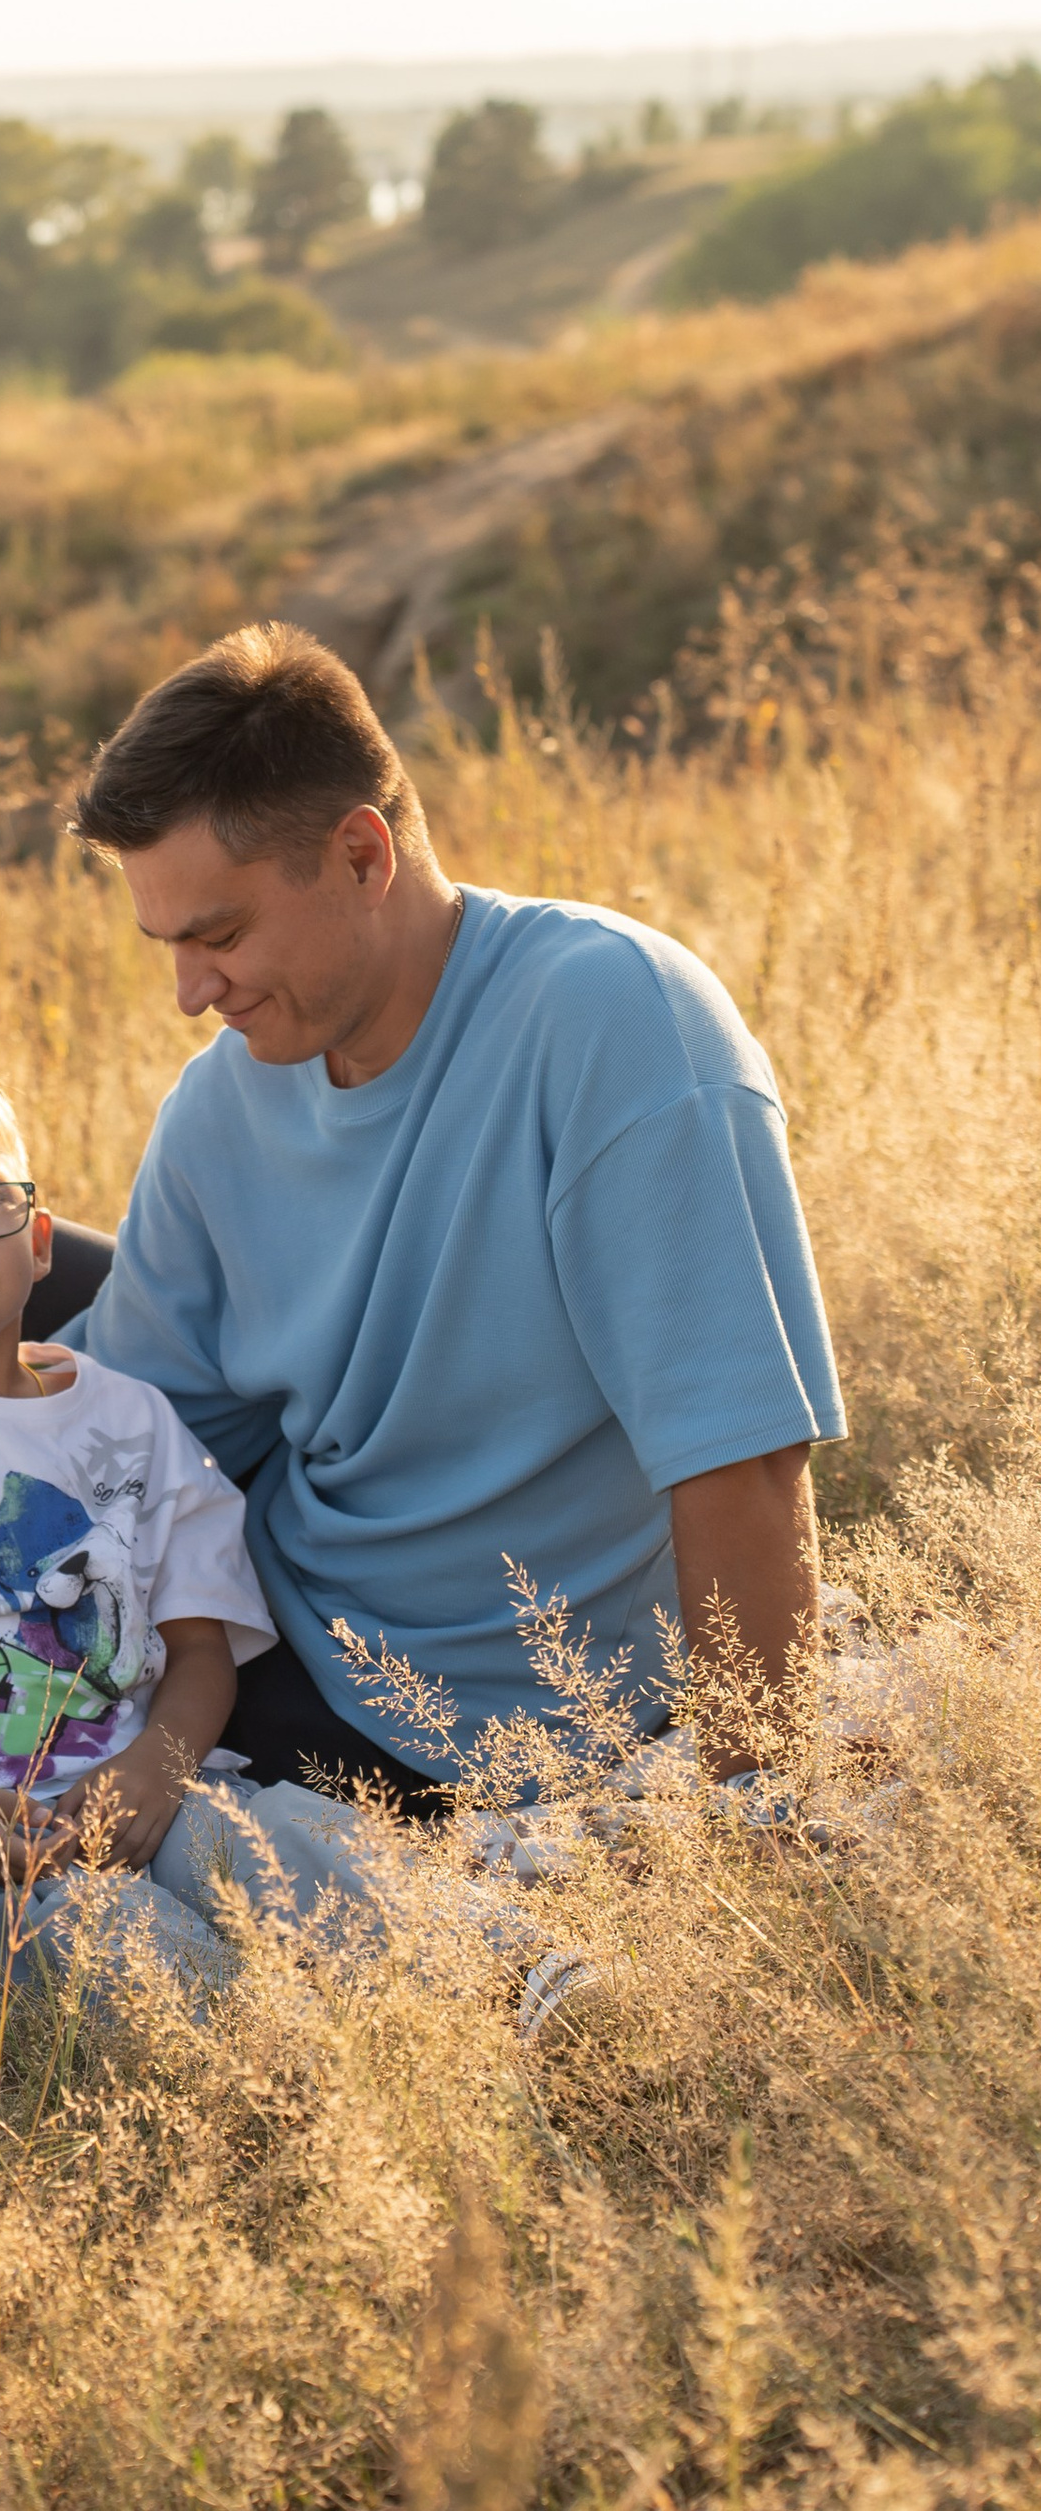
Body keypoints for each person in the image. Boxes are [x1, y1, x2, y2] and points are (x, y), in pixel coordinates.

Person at [66, 623, 843, 1804]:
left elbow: (740, 1453)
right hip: (267, 1610)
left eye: (218, 935)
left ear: (363, 854)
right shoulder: (222, 1099)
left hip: (464, 1715)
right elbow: (153, 1431)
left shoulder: (610, 1019)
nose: (188, 993)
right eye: (166, 945)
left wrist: (761, 1800)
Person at [0, 1046, 381, 1987]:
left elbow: (201, 1651)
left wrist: (157, 1771)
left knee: (275, 1836)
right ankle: (276, 2067)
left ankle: (512, 1967)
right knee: (122, 1943)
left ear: (39, 1239)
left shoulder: (131, 1421)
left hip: (144, 1792)